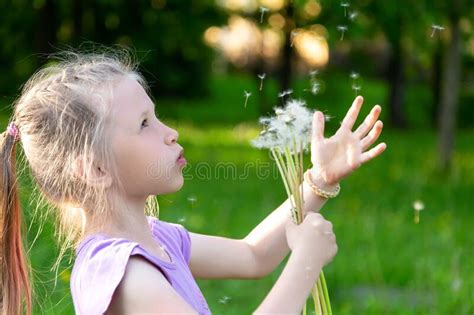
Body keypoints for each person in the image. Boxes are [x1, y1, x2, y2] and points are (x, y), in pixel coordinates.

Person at [0, 50, 386, 315]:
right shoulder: (123, 274)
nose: (170, 133)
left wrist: (318, 181)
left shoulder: (156, 240)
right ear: (96, 170)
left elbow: (253, 256)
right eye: (144, 125)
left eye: (156, 116)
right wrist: (305, 261)